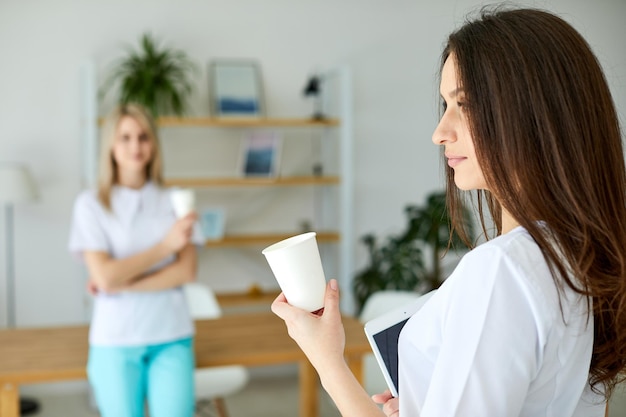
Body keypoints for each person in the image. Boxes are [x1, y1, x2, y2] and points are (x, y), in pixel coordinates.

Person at [271, 6, 626, 417]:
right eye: (445, 105)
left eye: (466, 105)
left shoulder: (501, 272)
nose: (440, 132)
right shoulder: (574, 257)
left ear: (533, 114)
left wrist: (326, 359)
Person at [69, 103, 201, 417]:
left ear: (153, 143)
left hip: (171, 335)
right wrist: (166, 246)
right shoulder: (90, 204)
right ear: (110, 147)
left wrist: (120, 282)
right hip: (114, 340)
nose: (135, 146)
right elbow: (103, 277)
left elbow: (186, 271)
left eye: (143, 137)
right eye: (125, 137)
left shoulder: (176, 200)